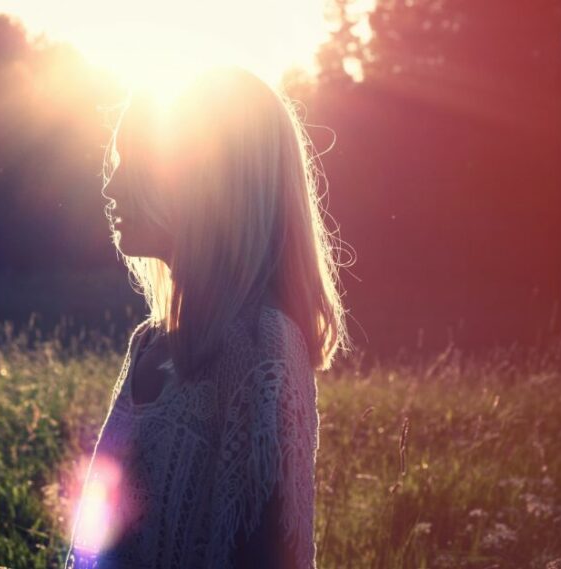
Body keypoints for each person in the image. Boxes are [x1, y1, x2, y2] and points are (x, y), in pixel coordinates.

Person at [63, 66, 353, 569]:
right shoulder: (149, 343)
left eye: (134, 162)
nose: (111, 187)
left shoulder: (263, 349)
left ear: (205, 181)